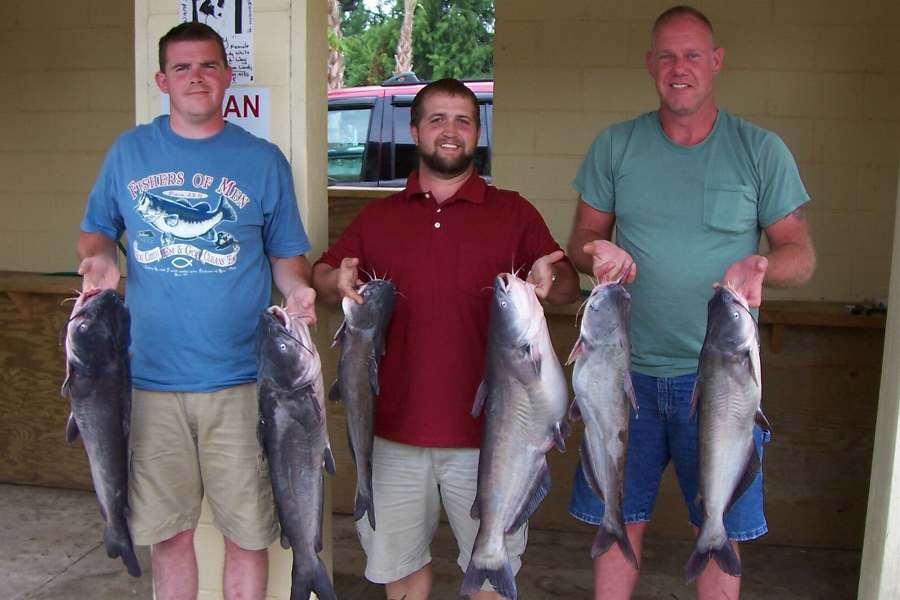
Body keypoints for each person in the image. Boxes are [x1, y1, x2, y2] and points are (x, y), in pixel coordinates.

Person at [566, 5, 816, 599]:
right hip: (624, 377)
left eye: (693, 55)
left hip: (723, 382)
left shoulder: (760, 150)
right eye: (668, 56)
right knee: (619, 521)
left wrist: (763, 265)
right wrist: (595, 250)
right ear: (651, 64)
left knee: (719, 530)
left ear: (717, 63)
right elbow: (579, 239)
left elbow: (800, 255)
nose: (680, 69)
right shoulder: (616, 145)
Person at [313, 78, 580, 600]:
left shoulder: (513, 212)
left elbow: (566, 284)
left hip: (494, 439)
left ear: (478, 133)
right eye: (437, 119)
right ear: (414, 131)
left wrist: (556, 277)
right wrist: (336, 281)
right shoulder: (379, 217)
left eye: (463, 120)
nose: (450, 131)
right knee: (402, 574)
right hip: (393, 436)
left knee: (489, 580)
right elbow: (325, 280)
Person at [77, 22, 316, 600]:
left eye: (208, 65)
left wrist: (299, 291)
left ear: (227, 78)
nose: (196, 77)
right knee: (170, 537)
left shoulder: (262, 160)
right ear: (162, 80)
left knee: (247, 536)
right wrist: (101, 262)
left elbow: (288, 259)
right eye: (182, 67)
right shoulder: (129, 152)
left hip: (243, 381)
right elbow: (94, 236)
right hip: (149, 378)